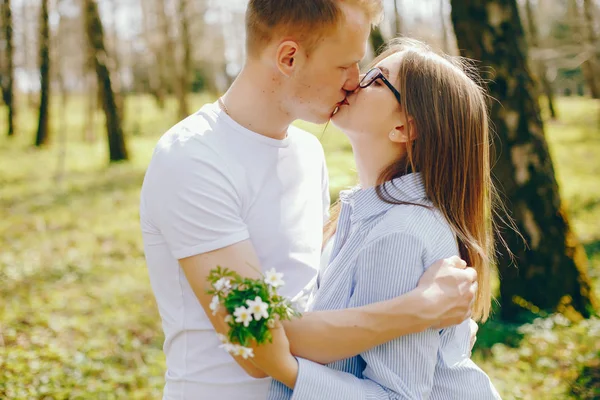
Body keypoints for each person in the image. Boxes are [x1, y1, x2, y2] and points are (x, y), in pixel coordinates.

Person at [139, 2, 478, 399]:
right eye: (345, 66)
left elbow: (316, 298)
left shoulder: (306, 153)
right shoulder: (193, 161)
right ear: (289, 57)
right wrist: (420, 310)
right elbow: (255, 343)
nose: (354, 81)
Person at [261, 38, 502, 399]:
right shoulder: (359, 213)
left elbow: (397, 396)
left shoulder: (399, 233)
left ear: (404, 128)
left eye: (376, 80)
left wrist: (289, 371)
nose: (355, 80)